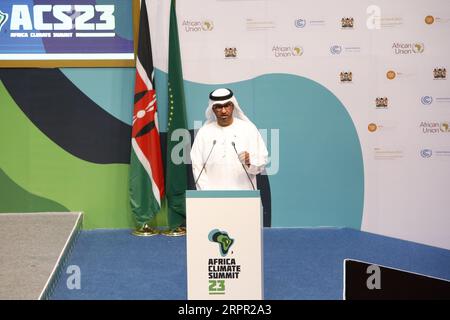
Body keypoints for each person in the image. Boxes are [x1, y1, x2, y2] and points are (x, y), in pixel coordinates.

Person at [190, 88, 268, 190]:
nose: (223, 111)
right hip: (212, 200)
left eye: (227, 105)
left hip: (244, 198)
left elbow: (262, 161)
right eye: (218, 107)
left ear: (233, 106)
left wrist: (250, 161)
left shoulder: (249, 129)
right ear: (212, 109)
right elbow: (197, 165)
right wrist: (207, 193)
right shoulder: (204, 132)